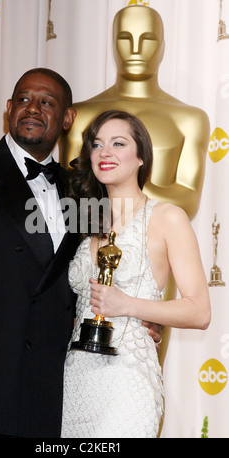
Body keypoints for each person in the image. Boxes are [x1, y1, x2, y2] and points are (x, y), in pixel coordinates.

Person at [0, 69, 161, 438]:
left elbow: (98, 272)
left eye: (47, 102)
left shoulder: (82, 189)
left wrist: (144, 315)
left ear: (67, 118)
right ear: (8, 108)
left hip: (54, 394)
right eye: (23, 99)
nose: (32, 108)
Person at [59, 4, 210, 364]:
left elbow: (188, 198)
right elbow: (71, 196)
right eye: (96, 145)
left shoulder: (189, 118)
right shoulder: (81, 114)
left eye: (147, 38)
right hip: (74, 368)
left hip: (137, 342)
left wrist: (132, 306)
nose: (137, 48)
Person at [61, 110, 211, 438]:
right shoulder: (83, 221)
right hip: (75, 382)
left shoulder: (167, 217)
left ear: (141, 156)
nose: (105, 152)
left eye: (118, 143)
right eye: (97, 144)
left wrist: (128, 305)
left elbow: (199, 311)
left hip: (127, 380)